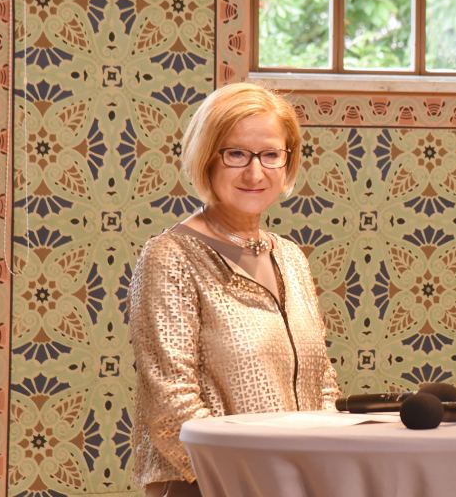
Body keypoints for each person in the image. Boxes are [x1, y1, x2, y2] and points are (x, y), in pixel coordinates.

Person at [129, 83, 340, 497]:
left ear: (288, 160)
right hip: (210, 487)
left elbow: (323, 384)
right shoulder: (170, 257)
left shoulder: (291, 257)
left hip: (299, 484)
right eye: (236, 154)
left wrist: (325, 465)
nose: (255, 173)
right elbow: (171, 405)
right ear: (207, 157)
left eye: (270, 155)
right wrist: (253, 481)